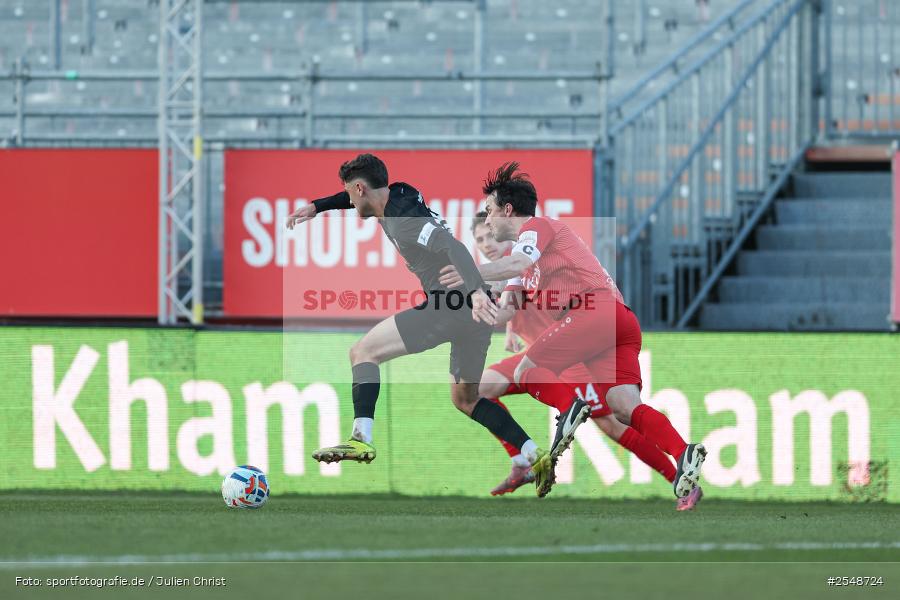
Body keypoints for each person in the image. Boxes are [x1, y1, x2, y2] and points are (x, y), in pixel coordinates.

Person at [285, 153, 564, 497]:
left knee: (362, 352)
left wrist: (476, 291)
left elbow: (453, 245)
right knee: (466, 399)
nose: (350, 199)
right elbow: (357, 197)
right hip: (473, 316)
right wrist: (318, 206)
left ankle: (361, 439)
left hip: (449, 305)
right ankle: (534, 455)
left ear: (360, 187)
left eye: (350, 192)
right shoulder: (399, 192)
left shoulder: (404, 221)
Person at [441, 163, 706, 499]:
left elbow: (516, 265)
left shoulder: (537, 227)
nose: (487, 220)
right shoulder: (528, 259)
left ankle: (569, 409)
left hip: (591, 314)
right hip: (616, 324)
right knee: (623, 405)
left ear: (508, 209)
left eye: (489, 211)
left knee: (528, 370)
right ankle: (683, 453)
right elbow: (508, 306)